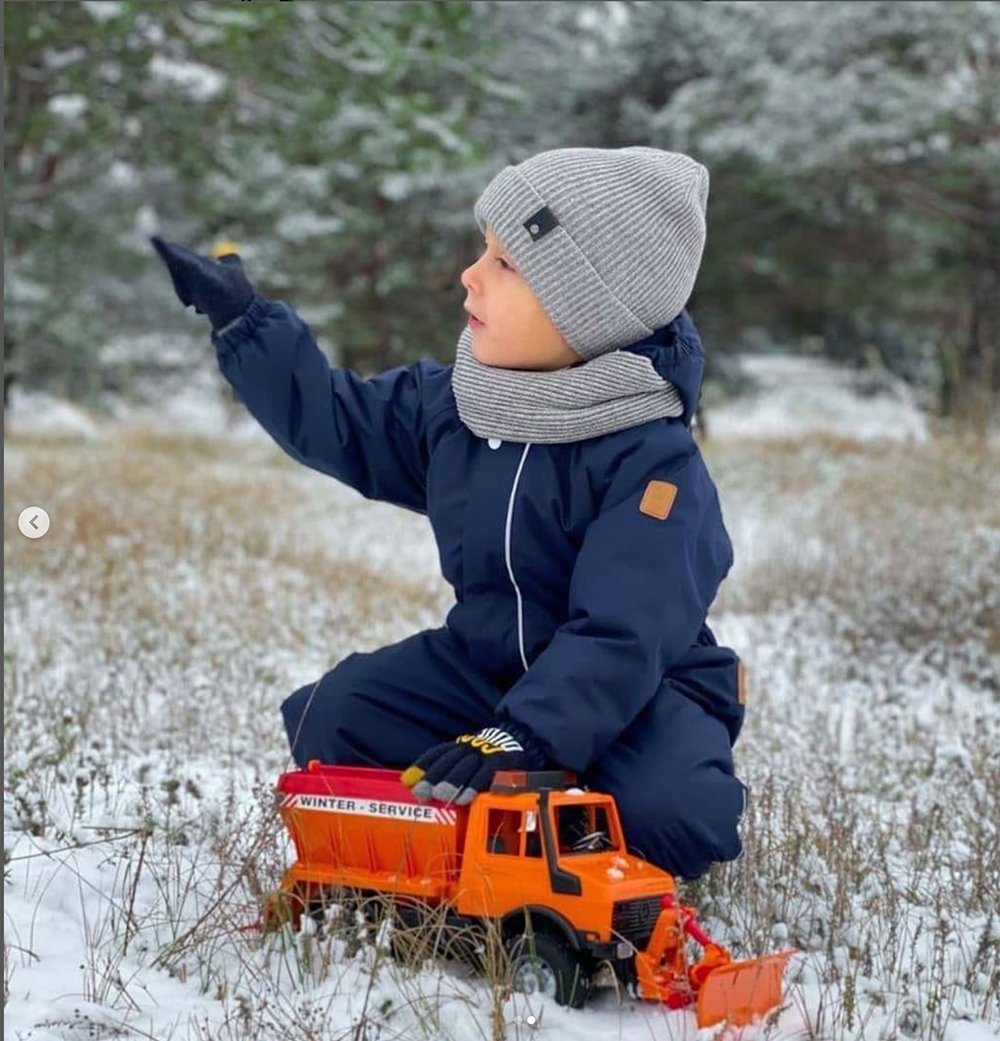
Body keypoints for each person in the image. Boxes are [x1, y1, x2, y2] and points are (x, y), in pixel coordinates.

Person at [151, 146, 749, 880]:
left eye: (506, 264)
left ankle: (555, 819)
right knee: (330, 715)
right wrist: (245, 321)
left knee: (673, 812)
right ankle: (472, 827)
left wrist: (520, 736)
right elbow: (338, 422)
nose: (471, 274)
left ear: (587, 310)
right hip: (484, 669)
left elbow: (624, 634)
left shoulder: (653, 464)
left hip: (635, 693)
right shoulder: (456, 404)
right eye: (483, 249)